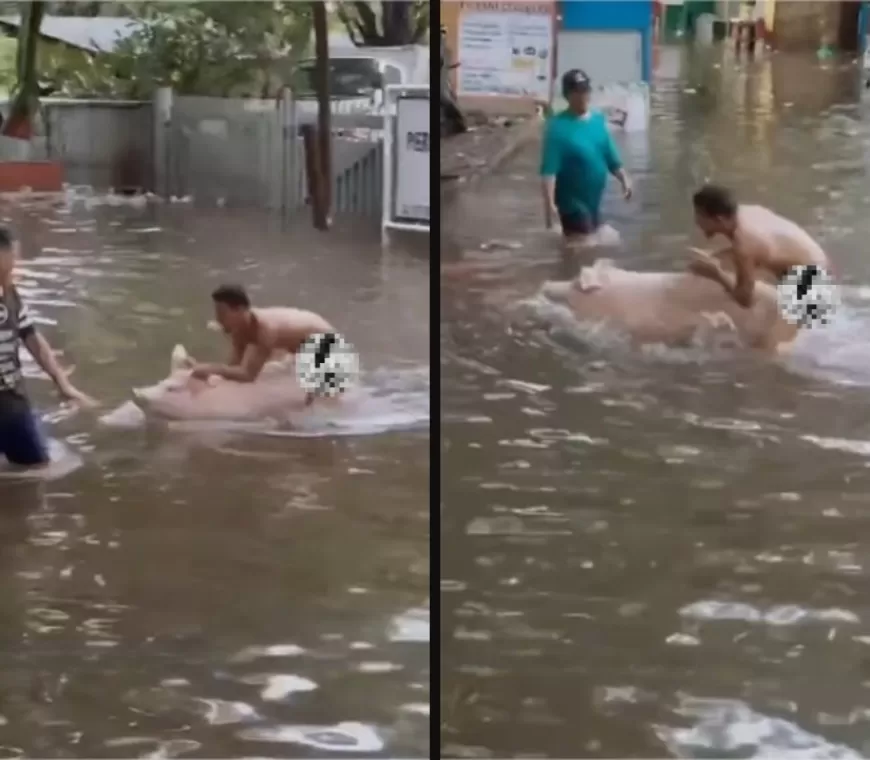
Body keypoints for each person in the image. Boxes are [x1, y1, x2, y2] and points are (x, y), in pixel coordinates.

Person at [0, 227, 96, 467]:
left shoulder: (10, 295)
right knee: (40, 471)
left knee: (36, 466)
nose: (16, 264)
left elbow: (32, 338)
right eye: (12, 257)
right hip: (8, 405)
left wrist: (63, 384)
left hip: (12, 402)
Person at [688, 183, 831, 309]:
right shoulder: (746, 211)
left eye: (699, 216)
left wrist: (717, 274)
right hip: (814, 260)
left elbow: (745, 300)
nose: (697, 221)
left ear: (719, 219)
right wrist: (716, 257)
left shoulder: (744, 243)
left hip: (810, 277)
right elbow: (763, 248)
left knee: (793, 334)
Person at [540, 69, 633, 244]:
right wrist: (549, 205)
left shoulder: (597, 120)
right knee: (583, 248)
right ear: (568, 95)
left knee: (592, 243)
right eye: (578, 92)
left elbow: (610, 156)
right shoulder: (557, 128)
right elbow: (549, 171)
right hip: (570, 202)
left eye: (585, 90)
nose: (583, 96)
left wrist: (624, 179)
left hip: (593, 200)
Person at [189, 284, 336, 395]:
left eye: (222, 313)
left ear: (240, 310)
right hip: (300, 342)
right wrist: (208, 372)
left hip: (323, 339)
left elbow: (248, 375)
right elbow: (233, 365)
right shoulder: (239, 327)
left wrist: (214, 368)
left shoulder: (265, 329)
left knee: (314, 399)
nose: (218, 319)